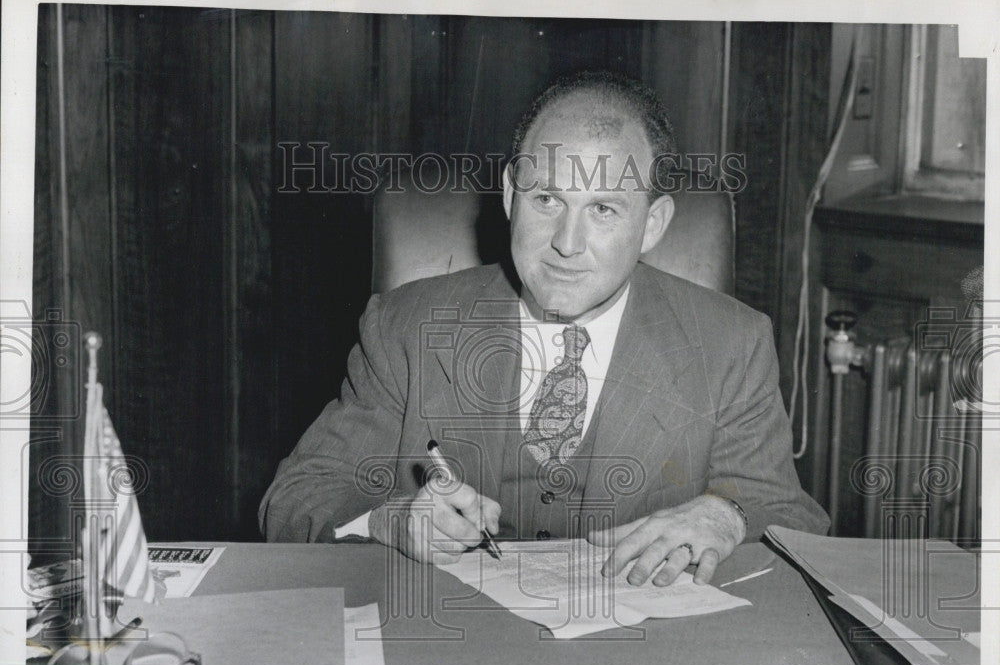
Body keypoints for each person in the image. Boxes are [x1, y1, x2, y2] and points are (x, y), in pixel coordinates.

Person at [259, 71, 829, 586]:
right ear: (510, 196)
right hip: (448, 648)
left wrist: (726, 513)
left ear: (652, 224)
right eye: (547, 198)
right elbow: (294, 499)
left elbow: (792, 518)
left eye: (603, 210)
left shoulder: (731, 343)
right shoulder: (407, 326)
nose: (566, 242)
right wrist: (391, 521)